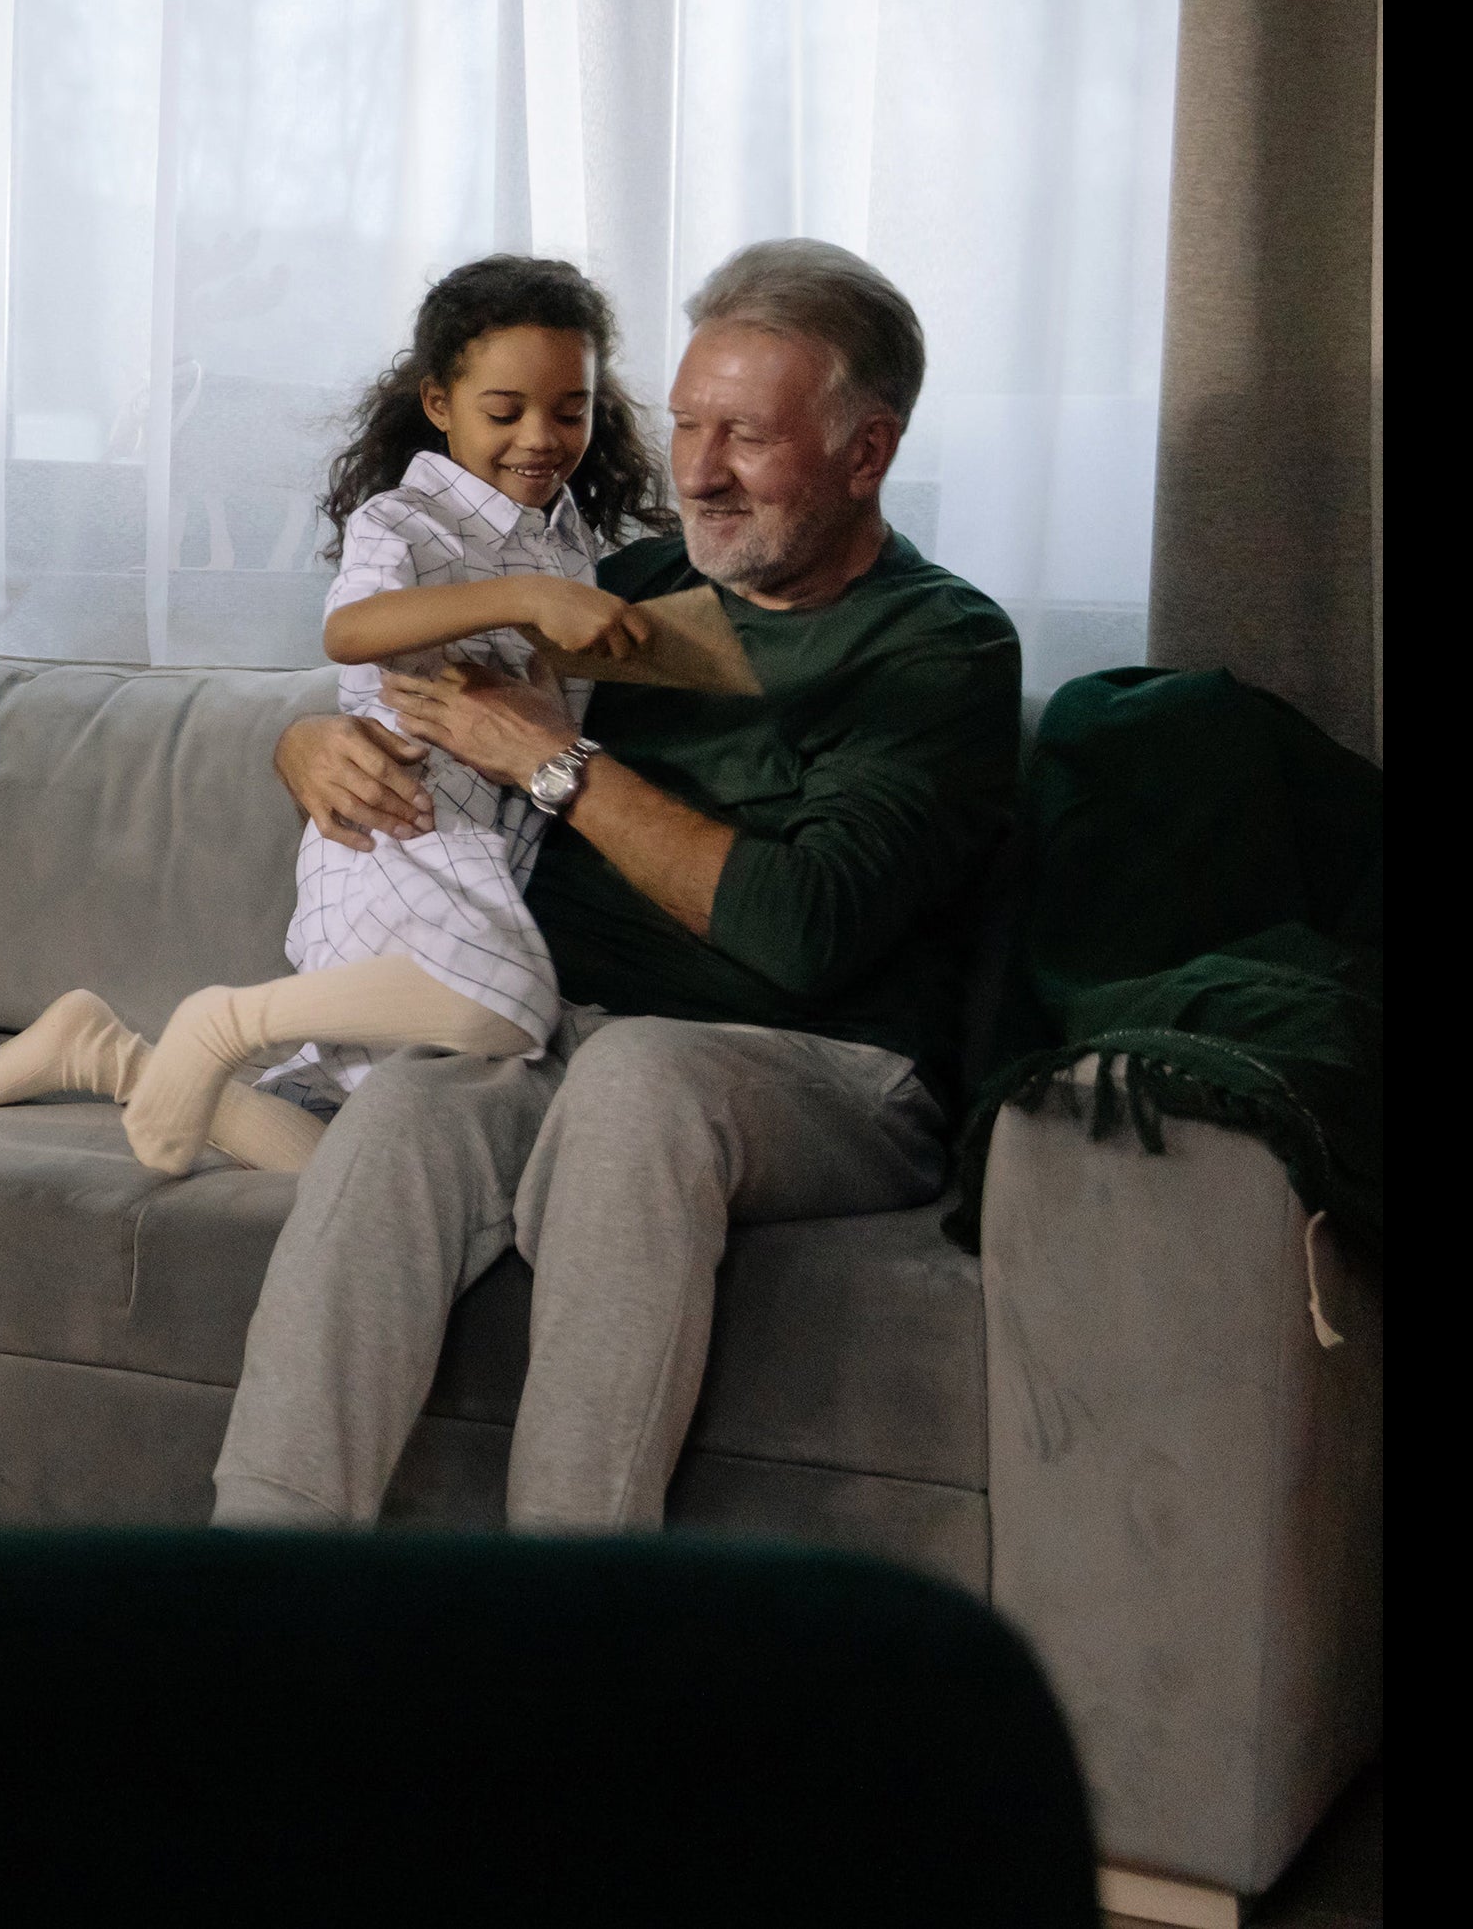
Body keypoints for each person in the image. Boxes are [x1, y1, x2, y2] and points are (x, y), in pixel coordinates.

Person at [215, 237, 1021, 1533]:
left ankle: (574, 1622)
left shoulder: (938, 642)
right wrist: (304, 745)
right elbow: (402, 684)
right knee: (410, 1104)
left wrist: (554, 758)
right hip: (562, 1025)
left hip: (822, 1066)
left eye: (744, 436)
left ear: (864, 452)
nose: (694, 470)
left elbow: (800, 929)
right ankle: (252, 1591)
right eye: (685, 422)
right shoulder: (620, 584)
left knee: (637, 1080)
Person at [0, 256, 674, 1175]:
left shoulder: (574, 545)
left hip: (490, 848)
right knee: (512, 1007)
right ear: (440, 403)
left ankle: (112, 1056)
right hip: (398, 825)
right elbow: (352, 630)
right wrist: (522, 597)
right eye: (505, 409)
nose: (542, 436)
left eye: (572, 409)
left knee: (354, 1160)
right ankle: (226, 1020)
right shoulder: (407, 520)